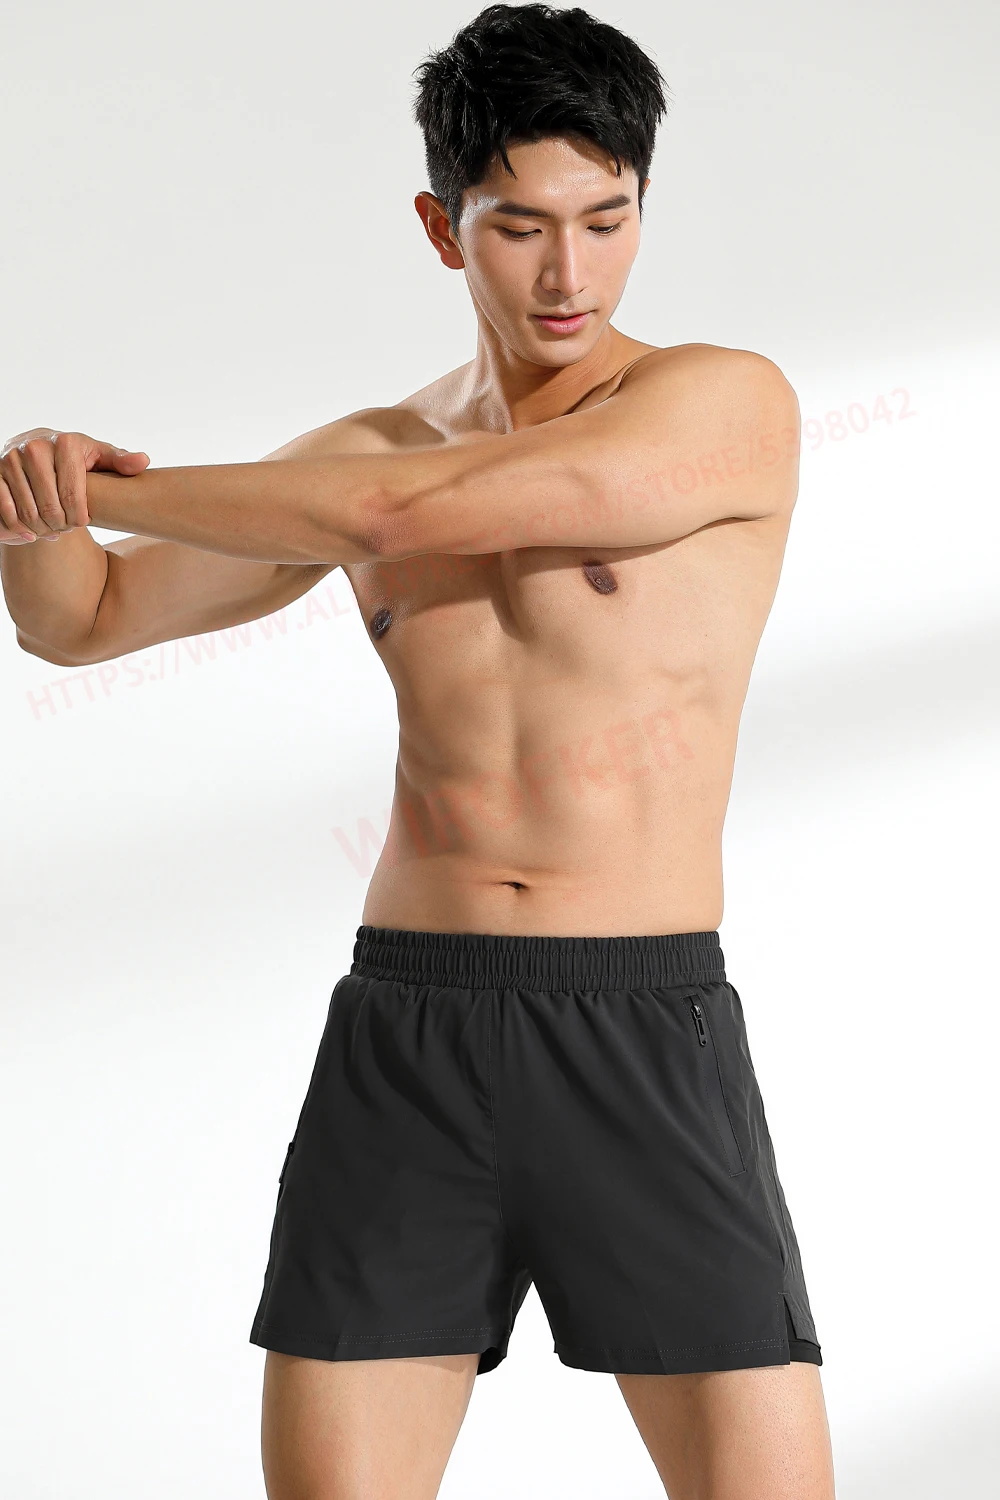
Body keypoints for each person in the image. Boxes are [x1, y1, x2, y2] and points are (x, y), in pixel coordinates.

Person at [0, 5, 836, 1496]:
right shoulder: (366, 452)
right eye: (520, 227)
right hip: (409, 1030)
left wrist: (127, 488)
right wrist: (39, 500)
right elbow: (87, 621)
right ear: (443, 229)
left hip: (637, 1019)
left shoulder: (723, 404)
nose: (570, 273)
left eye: (606, 220)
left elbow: (409, 517)